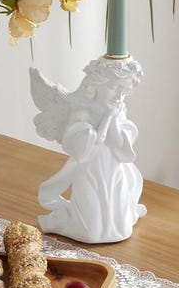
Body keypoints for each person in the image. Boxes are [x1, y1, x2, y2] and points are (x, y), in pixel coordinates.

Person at [31, 57, 146, 243]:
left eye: (123, 90)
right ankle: (65, 221)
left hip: (114, 172)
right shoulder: (82, 112)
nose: (119, 95)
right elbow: (86, 148)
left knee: (122, 229)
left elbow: (119, 144)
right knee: (91, 233)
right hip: (89, 173)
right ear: (96, 84)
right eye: (114, 87)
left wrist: (112, 118)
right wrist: (107, 118)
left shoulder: (119, 110)